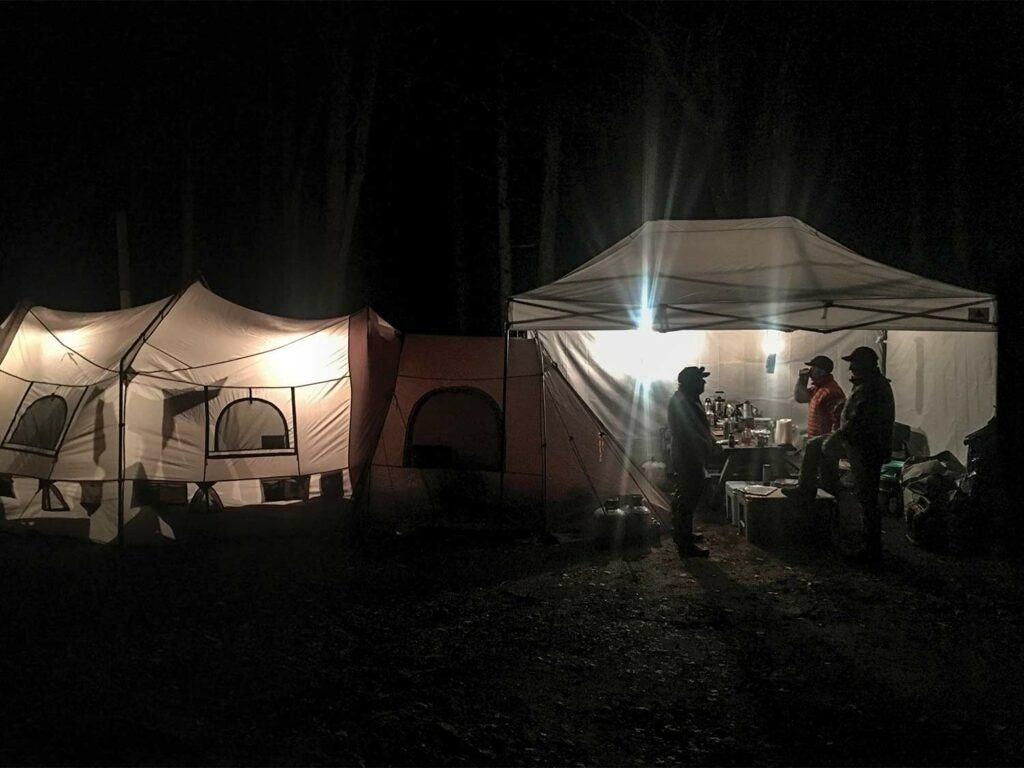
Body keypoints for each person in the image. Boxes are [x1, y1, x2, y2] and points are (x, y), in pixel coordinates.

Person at [783, 346, 895, 562]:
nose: (851, 367)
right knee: (859, 493)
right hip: (856, 444)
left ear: (867, 365)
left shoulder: (871, 387)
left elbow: (861, 421)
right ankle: (808, 493)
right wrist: (844, 410)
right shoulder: (865, 385)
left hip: (865, 447)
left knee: (865, 497)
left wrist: (837, 436)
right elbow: (853, 413)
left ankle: (870, 549)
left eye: (855, 363)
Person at [667, 365, 722, 558]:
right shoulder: (681, 402)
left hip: (690, 455)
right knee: (688, 497)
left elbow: (700, 427)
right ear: (690, 382)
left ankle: (683, 534)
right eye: (700, 379)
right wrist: (709, 447)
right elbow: (689, 433)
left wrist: (710, 440)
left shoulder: (688, 397)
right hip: (686, 455)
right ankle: (685, 543)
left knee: (687, 495)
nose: (704, 383)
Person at [793, 354, 846, 438]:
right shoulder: (817, 389)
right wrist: (802, 379)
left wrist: (829, 443)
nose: (810, 371)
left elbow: (838, 421)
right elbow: (800, 397)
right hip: (817, 442)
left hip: (823, 444)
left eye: (813, 368)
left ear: (821, 371)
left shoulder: (831, 391)